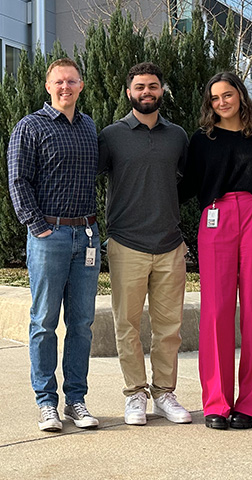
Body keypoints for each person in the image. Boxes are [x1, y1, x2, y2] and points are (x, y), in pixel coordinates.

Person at [181, 72, 252, 430]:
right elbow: (188, 185)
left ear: (240, 95)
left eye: (228, 94)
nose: (222, 102)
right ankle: (217, 402)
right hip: (215, 217)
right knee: (215, 310)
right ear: (209, 103)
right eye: (215, 98)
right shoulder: (202, 139)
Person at [7, 58, 102, 433]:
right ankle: (47, 402)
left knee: (82, 324)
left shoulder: (90, 127)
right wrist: (38, 226)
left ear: (81, 86)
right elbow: (18, 180)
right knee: (44, 322)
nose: (66, 87)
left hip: (88, 236)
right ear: (49, 87)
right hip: (50, 236)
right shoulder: (30, 126)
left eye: (72, 81)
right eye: (59, 82)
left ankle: (76, 400)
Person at [98, 61, 193, 426]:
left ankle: (164, 393)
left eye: (153, 86)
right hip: (126, 243)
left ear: (161, 91)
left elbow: (184, 184)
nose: (147, 92)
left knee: (169, 327)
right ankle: (135, 393)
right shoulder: (111, 135)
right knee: (128, 325)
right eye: (140, 87)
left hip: (170, 243)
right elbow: (90, 175)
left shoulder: (178, 136)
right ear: (129, 92)